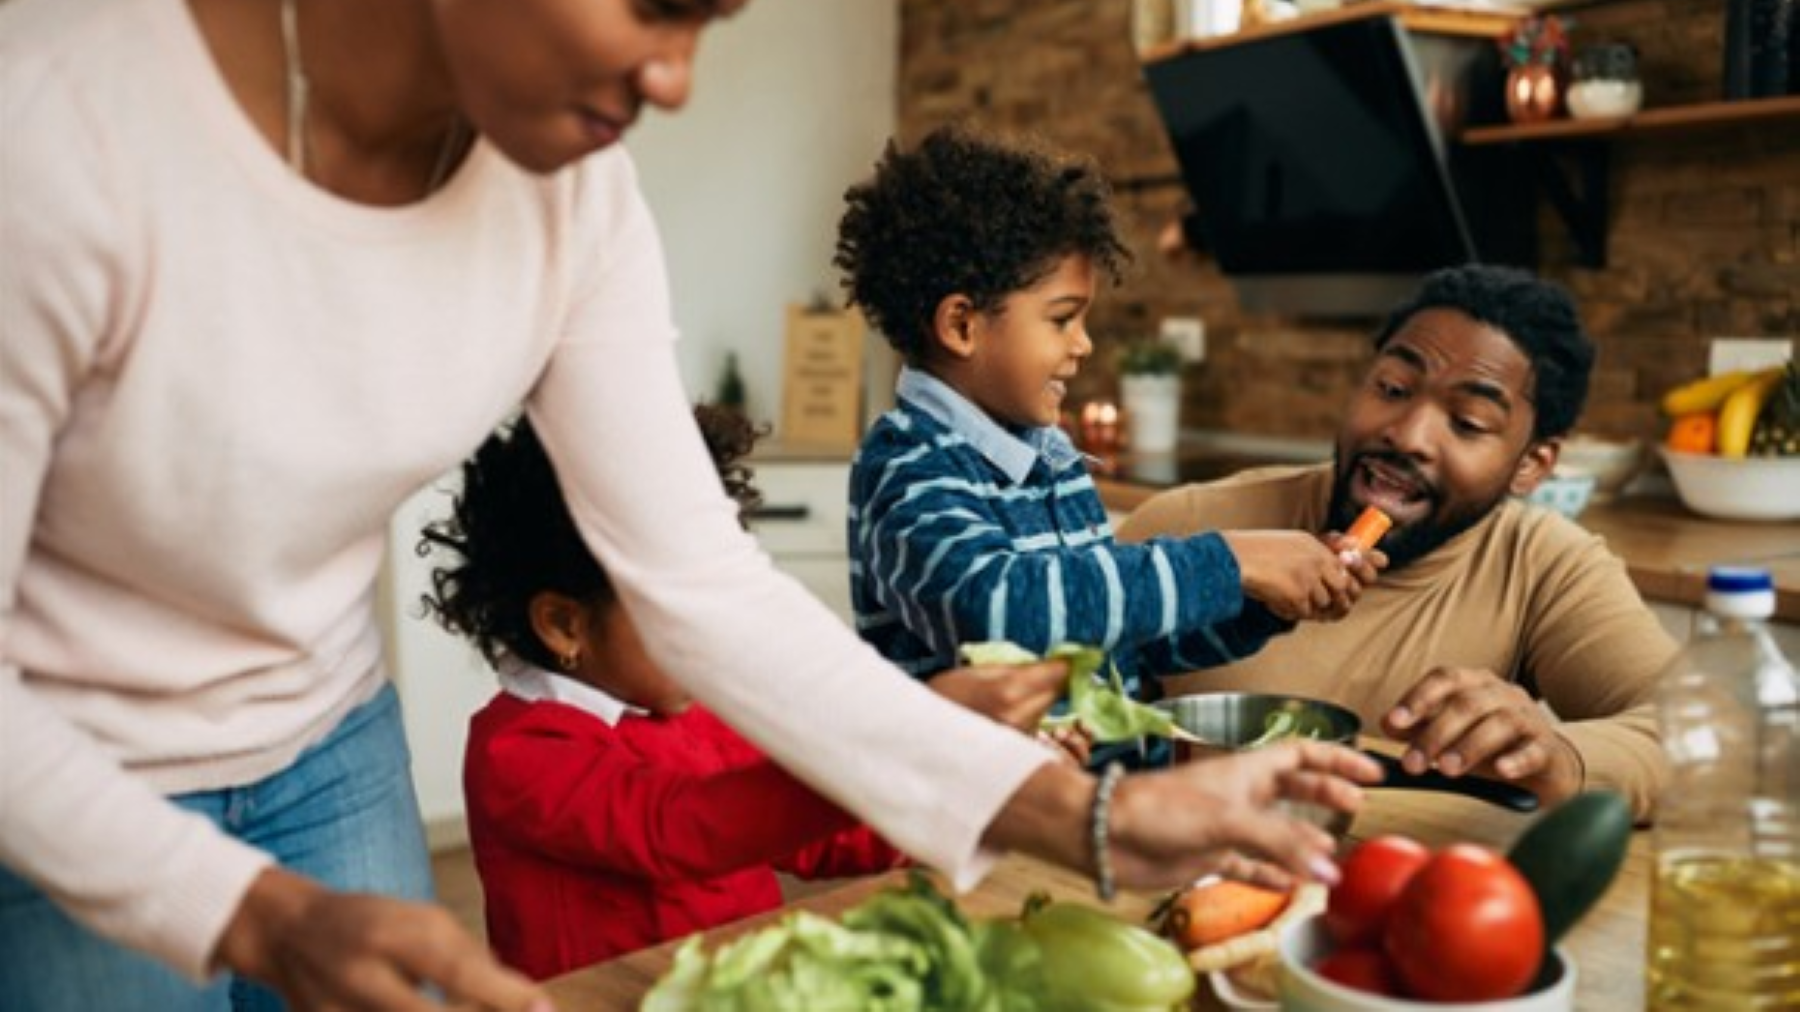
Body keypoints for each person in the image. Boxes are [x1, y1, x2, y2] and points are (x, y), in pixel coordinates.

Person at [0, 1, 1381, 1008]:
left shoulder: (574, 197)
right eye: (655, 9)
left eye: (709, 20)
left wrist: (1082, 815)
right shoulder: (61, 140)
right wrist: (251, 913)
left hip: (327, 733)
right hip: (64, 759)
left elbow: (706, 588)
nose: (674, 80)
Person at [833, 124, 1386, 696]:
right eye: (1061, 319)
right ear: (961, 325)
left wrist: (1263, 597)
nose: (1084, 344)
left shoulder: (1053, 461)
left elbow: (1124, 642)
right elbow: (1003, 612)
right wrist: (1232, 560)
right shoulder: (907, 464)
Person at [1118, 264, 1675, 819]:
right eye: (1392, 389)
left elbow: (1691, 733)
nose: (1407, 435)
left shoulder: (1544, 566)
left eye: (1467, 422)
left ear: (1531, 464)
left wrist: (1560, 759)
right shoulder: (1189, 524)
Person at [420, 406, 931, 978]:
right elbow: (682, 829)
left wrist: (932, 819)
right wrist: (867, 770)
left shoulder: (690, 708)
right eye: (679, 611)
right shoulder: (517, 753)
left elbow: (808, 834)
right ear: (565, 625)